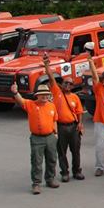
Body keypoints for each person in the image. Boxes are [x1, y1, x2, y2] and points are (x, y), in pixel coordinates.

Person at [41, 53, 84, 182]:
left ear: (72, 86)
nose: (67, 85)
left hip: (73, 126)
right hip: (61, 126)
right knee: (62, 152)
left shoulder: (75, 97)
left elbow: (79, 112)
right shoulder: (57, 92)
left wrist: (80, 124)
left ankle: (77, 171)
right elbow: (50, 77)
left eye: (70, 84)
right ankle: (64, 172)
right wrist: (46, 64)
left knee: (75, 151)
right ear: (62, 84)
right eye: (65, 83)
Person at [11, 82, 58, 194]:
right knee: (37, 161)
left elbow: (55, 119)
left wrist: (55, 133)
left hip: (50, 136)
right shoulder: (31, 105)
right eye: (42, 95)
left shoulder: (52, 105)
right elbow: (21, 100)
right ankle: (36, 183)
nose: (44, 96)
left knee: (52, 159)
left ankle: (50, 179)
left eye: (46, 94)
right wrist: (15, 92)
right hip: (37, 138)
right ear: (37, 95)